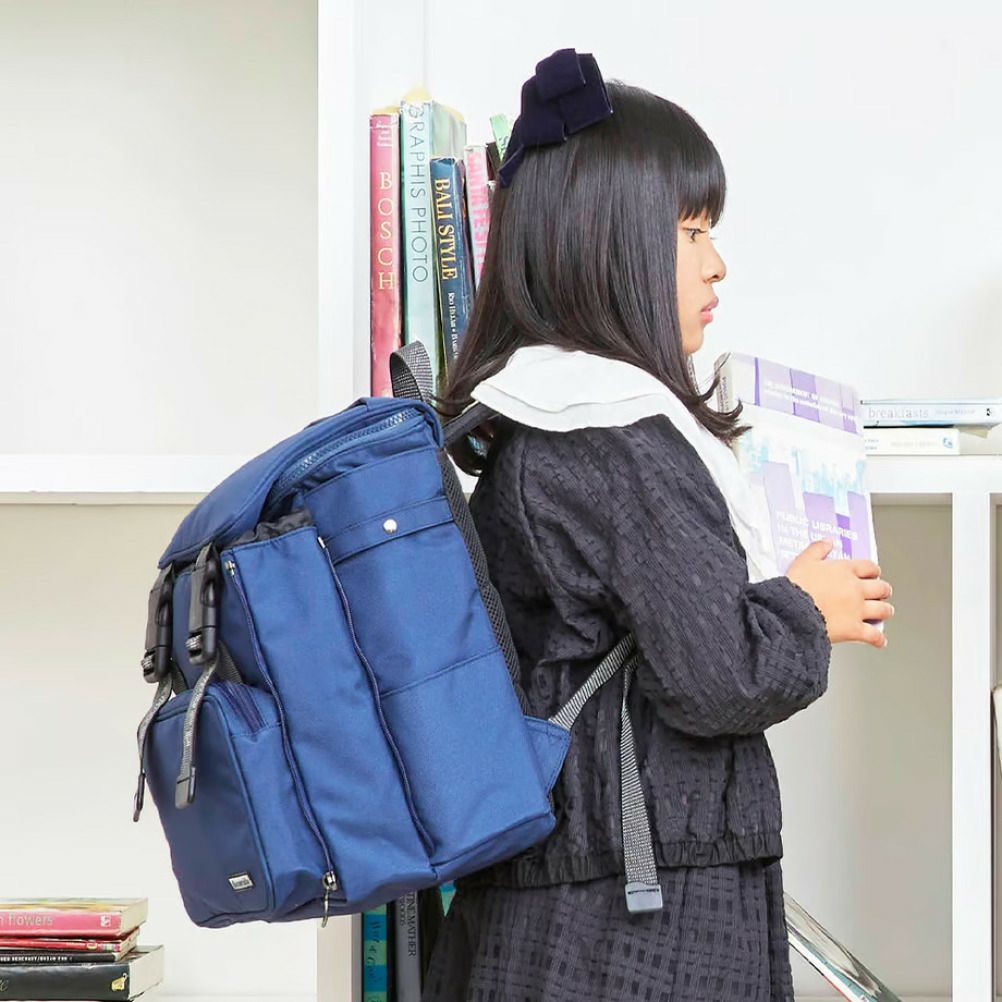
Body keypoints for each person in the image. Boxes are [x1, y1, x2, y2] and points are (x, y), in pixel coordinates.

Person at [422, 48, 894, 1002]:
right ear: (612, 242)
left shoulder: (548, 417)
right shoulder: (615, 434)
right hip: (634, 924)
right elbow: (721, 675)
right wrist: (808, 607)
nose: (718, 264)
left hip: (587, 897)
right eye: (692, 232)